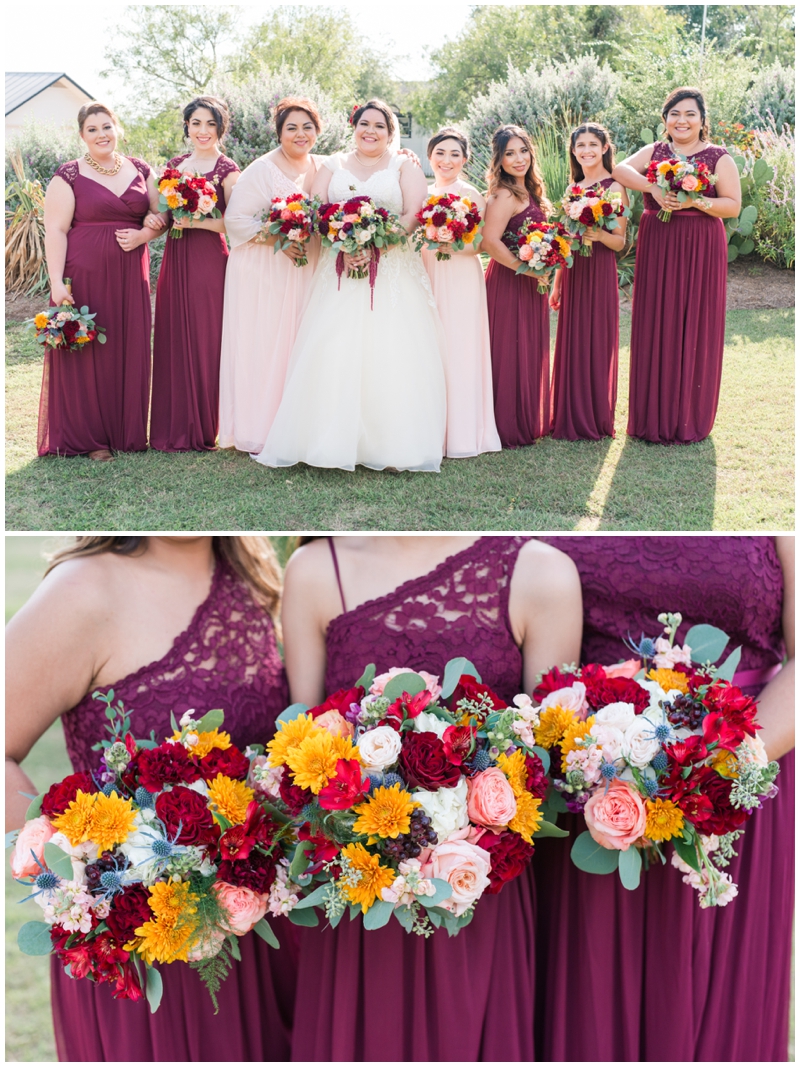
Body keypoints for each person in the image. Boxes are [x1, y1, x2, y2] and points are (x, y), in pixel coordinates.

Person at [281, 534, 582, 1060]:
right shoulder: (313, 570)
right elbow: (301, 761)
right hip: (360, 905)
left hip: (481, 904)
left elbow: (542, 772)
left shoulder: (543, 574)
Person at [5, 536, 296, 1061]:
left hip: (261, 937)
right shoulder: (82, 592)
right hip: (147, 951)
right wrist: (72, 876)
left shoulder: (250, 568)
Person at [534, 535, 794, 1061]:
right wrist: (609, 766)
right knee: (593, 1013)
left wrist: (714, 772)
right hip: (597, 795)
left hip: (735, 786)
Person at [256, 100, 447, 473]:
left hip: (392, 270)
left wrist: (375, 244)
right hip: (339, 270)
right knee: (333, 348)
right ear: (353, 127)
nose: (370, 131)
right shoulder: (333, 164)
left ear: (391, 132)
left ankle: (392, 446)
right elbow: (316, 209)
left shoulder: (404, 165)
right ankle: (327, 441)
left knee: (392, 351)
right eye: (363, 124)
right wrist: (346, 243)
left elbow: (411, 215)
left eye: (379, 125)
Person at [613, 87, 741, 444]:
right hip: (660, 241)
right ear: (665, 120)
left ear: (702, 121)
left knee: (696, 320)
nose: (681, 121)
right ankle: (652, 413)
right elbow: (620, 170)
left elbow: (732, 205)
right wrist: (653, 188)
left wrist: (696, 201)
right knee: (658, 317)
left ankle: (688, 414)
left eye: (690, 115)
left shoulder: (718, 156)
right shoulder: (656, 151)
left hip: (701, 244)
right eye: (674, 114)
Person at [39, 103, 161, 460]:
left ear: (118, 128)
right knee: (88, 349)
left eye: (107, 126)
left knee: (127, 343)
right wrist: (56, 283)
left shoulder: (140, 169)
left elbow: (160, 214)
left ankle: (126, 431)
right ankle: (90, 438)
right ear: (82, 136)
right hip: (84, 274)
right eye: (92, 129)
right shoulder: (68, 175)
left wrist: (144, 236)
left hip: (129, 275)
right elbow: (56, 230)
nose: (101, 134)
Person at [218, 97, 324, 454]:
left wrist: (408, 157)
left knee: (298, 343)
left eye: (307, 127)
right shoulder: (261, 170)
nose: (300, 134)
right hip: (264, 270)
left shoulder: (323, 167)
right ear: (279, 132)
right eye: (291, 127)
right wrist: (279, 237)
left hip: (303, 268)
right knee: (267, 345)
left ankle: (297, 426)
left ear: (317, 131)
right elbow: (235, 221)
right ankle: (260, 429)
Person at [145, 96, 240, 452]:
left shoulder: (227, 169)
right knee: (173, 333)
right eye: (196, 123)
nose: (203, 131)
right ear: (187, 126)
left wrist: (199, 221)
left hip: (208, 260)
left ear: (220, 129)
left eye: (210, 124)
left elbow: (236, 222)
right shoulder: (174, 165)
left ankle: (204, 427)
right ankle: (172, 427)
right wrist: (158, 219)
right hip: (176, 257)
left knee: (205, 337)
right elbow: (163, 213)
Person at [420, 128, 501, 458]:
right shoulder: (423, 194)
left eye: (454, 154)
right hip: (427, 272)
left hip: (461, 275)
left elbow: (480, 243)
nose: (447, 160)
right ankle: (431, 428)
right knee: (431, 347)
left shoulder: (471, 194)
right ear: (430, 157)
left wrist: (451, 244)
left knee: (460, 348)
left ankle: (462, 434)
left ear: (465, 159)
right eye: (440, 153)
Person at [549, 124, 628, 440]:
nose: (586, 151)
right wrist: (557, 282)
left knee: (596, 339)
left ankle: (594, 417)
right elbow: (563, 239)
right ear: (573, 151)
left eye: (593, 144)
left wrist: (599, 235)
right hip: (573, 271)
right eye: (580, 145)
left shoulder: (615, 187)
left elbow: (620, 241)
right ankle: (569, 413)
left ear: (605, 147)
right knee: (573, 338)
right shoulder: (573, 189)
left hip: (599, 270)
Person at [482, 125, 553, 448]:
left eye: (522, 150)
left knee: (528, 347)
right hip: (510, 282)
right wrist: (525, 270)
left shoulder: (531, 191)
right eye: (509, 153)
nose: (518, 158)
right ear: (499, 160)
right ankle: (506, 423)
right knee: (510, 349)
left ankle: (527, 415)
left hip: (530, 282)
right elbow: (490, 242)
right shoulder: (505, 194)